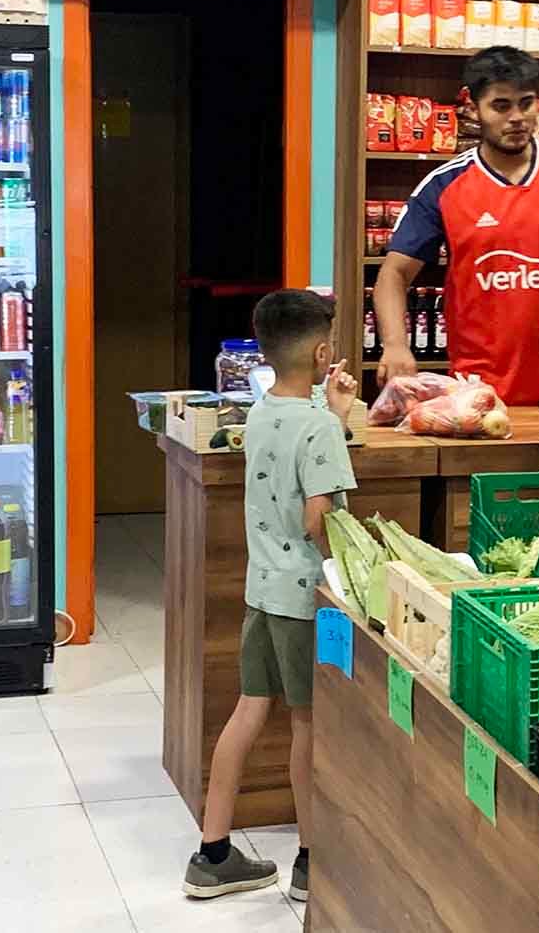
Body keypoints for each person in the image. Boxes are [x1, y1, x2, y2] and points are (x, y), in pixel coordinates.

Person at [182, 289, 358, 904]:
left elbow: (292, 458)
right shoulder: (320, 427)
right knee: (307, 723)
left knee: (249, 709)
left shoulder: (260, 412)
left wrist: (333, 411)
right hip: (305, 598)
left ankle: (212, 854)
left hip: (262, 589)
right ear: (322, 353)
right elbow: (318, 517)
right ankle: (310, 859)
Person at [377, 46, 539, 405]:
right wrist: (394, 344)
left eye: (525, 104)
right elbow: (393, 274)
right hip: (478, 390)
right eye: (501, 106)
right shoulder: (444, 185)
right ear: (472, 108)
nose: (516, 117)